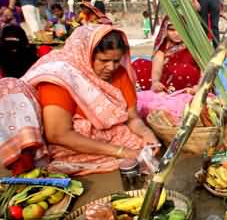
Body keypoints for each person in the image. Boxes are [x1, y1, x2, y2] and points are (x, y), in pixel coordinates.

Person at [0, 25, 159, 175]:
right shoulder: (61, 76)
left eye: (116, 61)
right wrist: (120, 151)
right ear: (86, 54)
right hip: (72, 146)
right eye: (103, 61)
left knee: (146, 153)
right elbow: (58, 134)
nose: (111, 67)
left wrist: (146, 133)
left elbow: (132, 118)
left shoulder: (120, 74)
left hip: (114, 138)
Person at [132, 17, 201, 94]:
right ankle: (158, 91)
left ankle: (174, 92)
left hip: (187, 81)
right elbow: (157, 66)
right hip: (164, 79)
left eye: (180, 30)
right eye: (172, 30)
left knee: (184, 69)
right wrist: (155, 82)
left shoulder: (195, 46)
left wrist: (201, 86)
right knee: (139, 63)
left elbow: (205, 69)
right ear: (165, 30)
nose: (176, 34)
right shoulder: (164, 45)